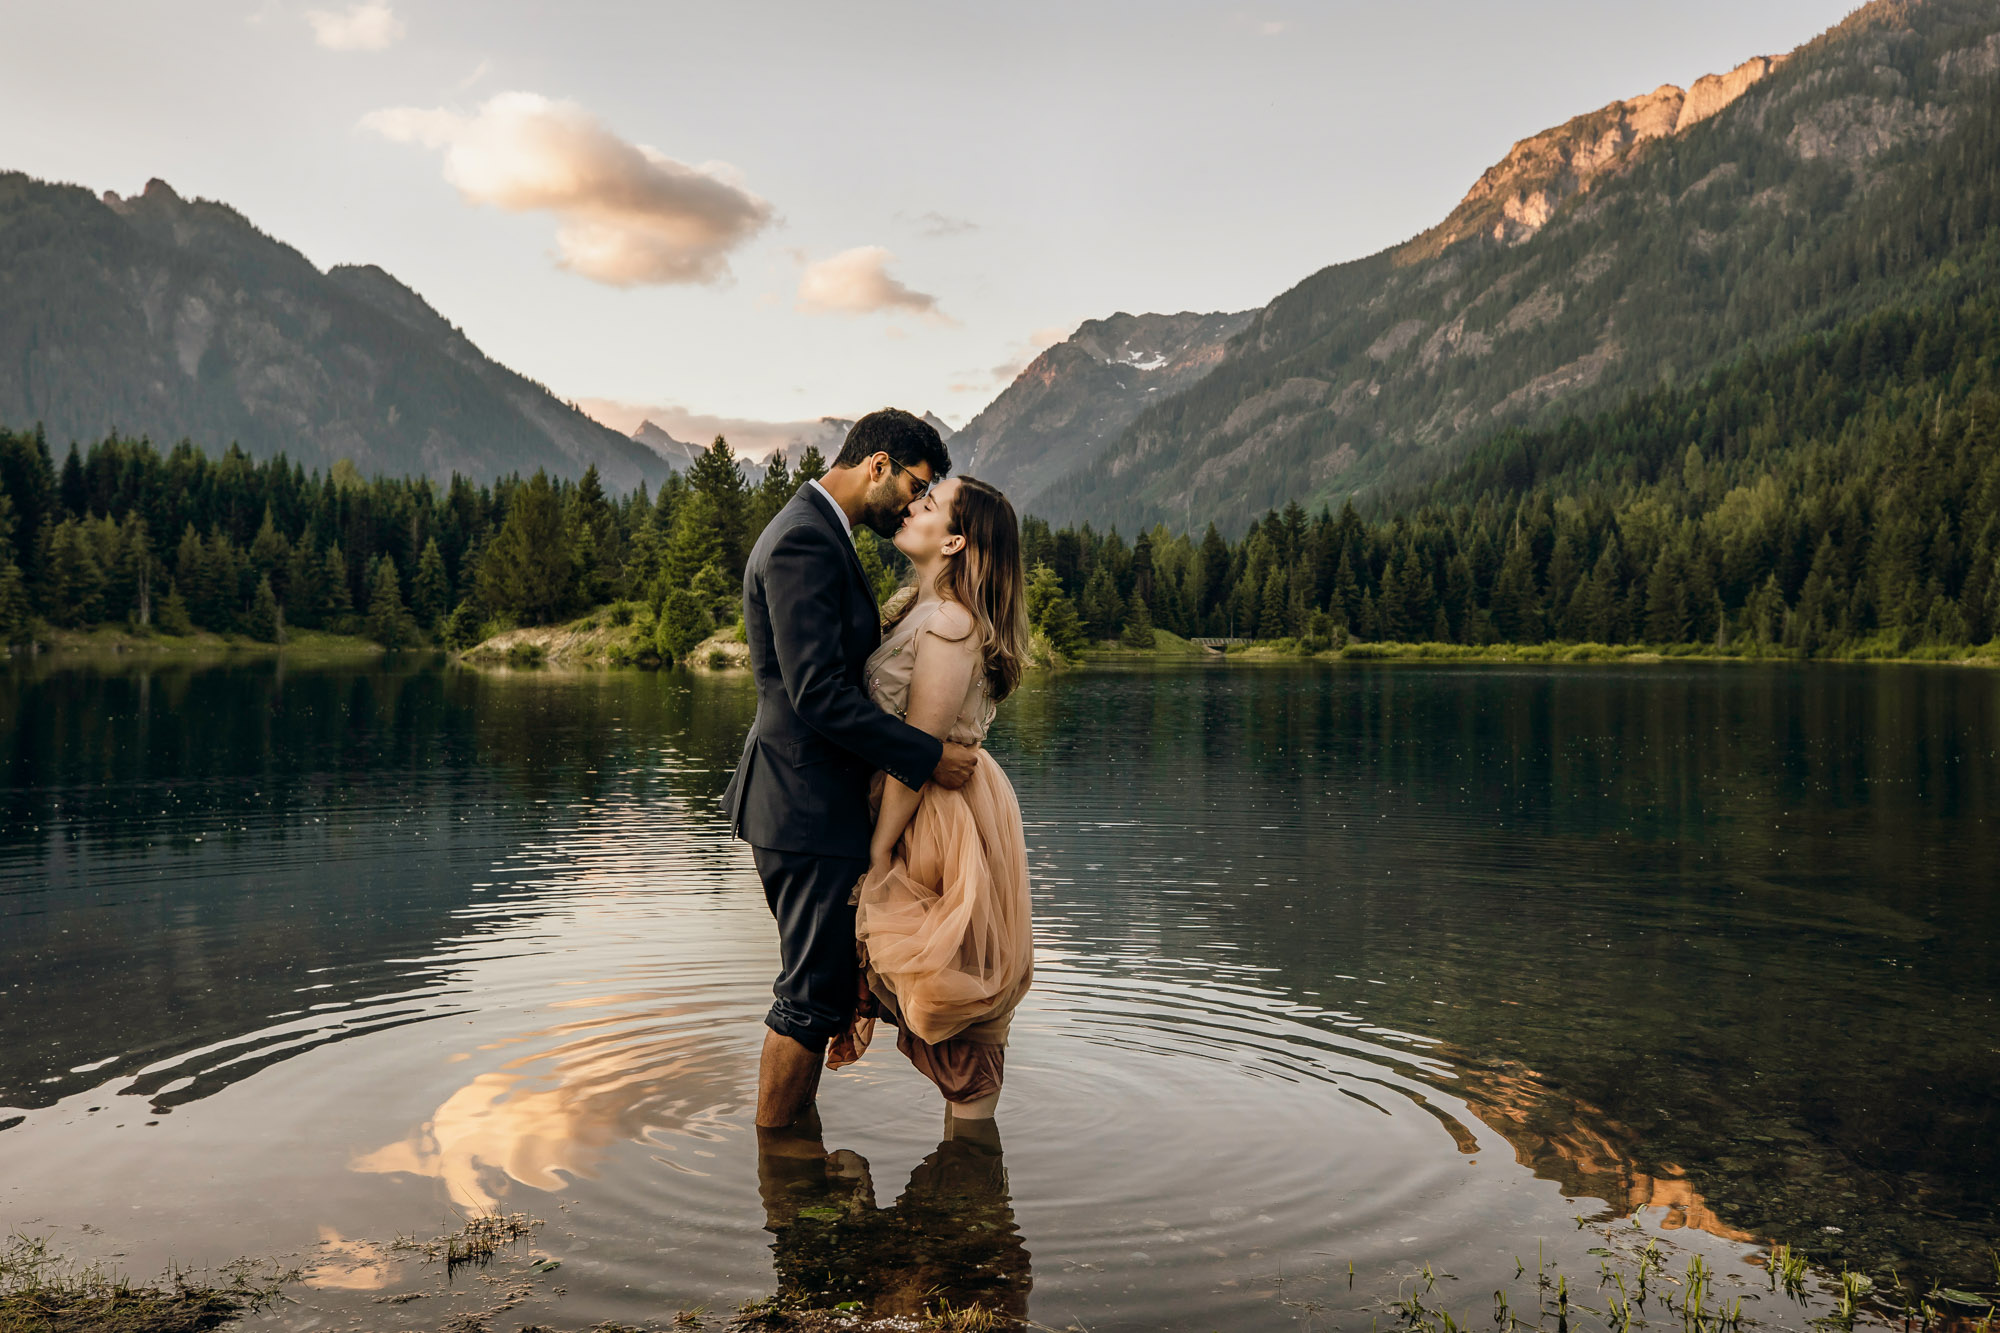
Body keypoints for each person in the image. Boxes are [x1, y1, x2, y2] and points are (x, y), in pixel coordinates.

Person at [723, 408, 979, 1131]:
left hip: (808, 801)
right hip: (801, 804)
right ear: (879, 464)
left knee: (824, 989)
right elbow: (816, 693)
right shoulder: (805, 538)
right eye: (916, 484)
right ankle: (780, 1165)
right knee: (809, 995)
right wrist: (928, 756)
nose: (914, 502)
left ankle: (793, 1165)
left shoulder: (819, 530)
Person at [826, 475, 1035, 1121]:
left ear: (954, 539)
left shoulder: (951, 622)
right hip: (911, 801)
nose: (912, 505)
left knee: (951, 992)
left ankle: (973, 1174)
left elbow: (917, 752)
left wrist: (879, 852)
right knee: (928, 981)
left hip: (932, 816)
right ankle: (966, 1183)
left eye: (930, 502)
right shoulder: (918, 607)